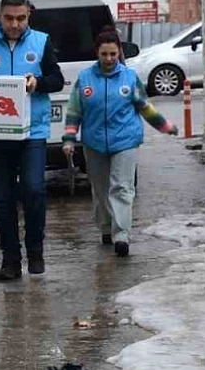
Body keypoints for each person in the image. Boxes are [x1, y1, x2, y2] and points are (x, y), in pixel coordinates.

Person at [0, 0, 65, 281]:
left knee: (34, 190)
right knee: (3, 199)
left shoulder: (41, 42)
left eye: (20, 18)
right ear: (0, 16)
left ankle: (36, 251)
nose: (15, 24)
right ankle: (10, 259)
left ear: (28, 15)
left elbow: (56, 79)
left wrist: (38, 82)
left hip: (33, 132)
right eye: (9, 18)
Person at [62, 28, 178, 257]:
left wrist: (165, 126)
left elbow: (144, 106)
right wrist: (69, 139)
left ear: (119, 53)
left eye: (113, 54)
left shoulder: (129, 77)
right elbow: (75, 111)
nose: (109, 59)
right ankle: (106, 226)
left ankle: (121, 235)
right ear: (97, 53)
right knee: (101, 188)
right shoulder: (85, 78)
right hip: (94, 142)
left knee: (122, 188)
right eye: (104, 54)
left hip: (125, 140)